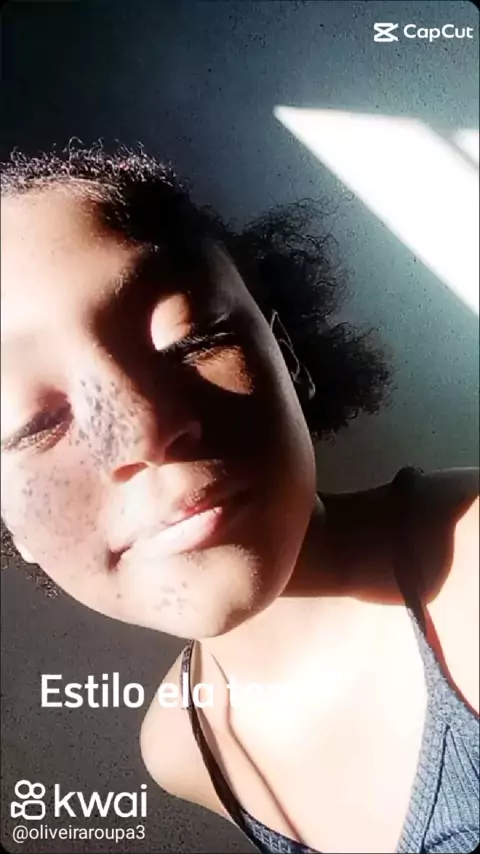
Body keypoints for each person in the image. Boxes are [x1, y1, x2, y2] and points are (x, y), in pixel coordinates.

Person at [1, 143, 478, 854]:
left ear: (286, 355)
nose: (143, 432)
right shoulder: (178, 751)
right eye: (35, 424)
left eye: (191, 336)